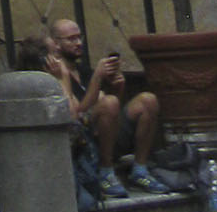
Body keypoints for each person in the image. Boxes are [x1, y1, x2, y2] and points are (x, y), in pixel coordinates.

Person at [41, 20, 167, 194]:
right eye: (71, 39)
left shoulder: (83, 70)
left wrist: (117, 89)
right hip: (82, 140)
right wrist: (97, 79)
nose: (78, 43)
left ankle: (140, 169)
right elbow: (76, 114)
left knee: (148, 100)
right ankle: (106, 171)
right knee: (109, 102)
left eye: (79, 37)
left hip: (104, 134)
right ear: (56, 43)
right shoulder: (56, 73)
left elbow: (109, 109)